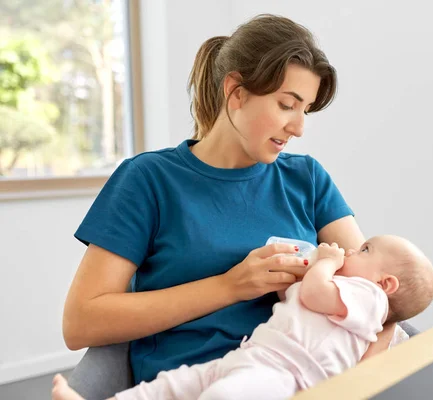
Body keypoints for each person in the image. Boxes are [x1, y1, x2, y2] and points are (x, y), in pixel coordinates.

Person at [61, 13, 389, 395]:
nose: (299, 127)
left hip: (305, 381)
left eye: (305, 110)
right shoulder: (149, 179)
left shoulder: (307, 178)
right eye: (287, 105)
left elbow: (379, 296)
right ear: (236, 92)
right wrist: (230, 286)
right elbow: (81, 321)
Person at [52, 236, 433, 400]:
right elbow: (300, 300)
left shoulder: (368, 298)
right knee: (174, 385)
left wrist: (326, 263)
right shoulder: (350, 290)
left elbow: (318, 294)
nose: (354, 248)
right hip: (251, 356)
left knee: (221, 396)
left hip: (286, 374)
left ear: (385, 283)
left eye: (365, 249)